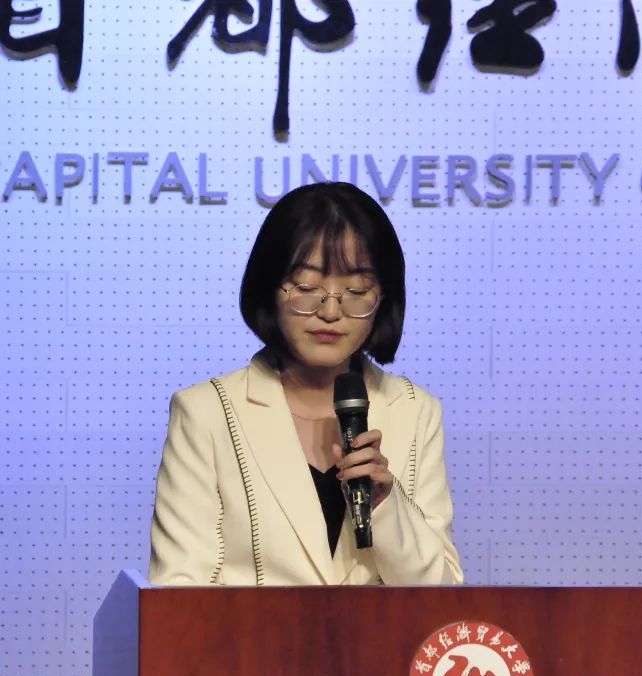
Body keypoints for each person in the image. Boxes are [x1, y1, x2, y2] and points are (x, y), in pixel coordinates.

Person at [148, 182, 463, 586]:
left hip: (383, 632)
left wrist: (387, 506)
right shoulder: (206, 412)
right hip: (249, 632)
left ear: (383, 298)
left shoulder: (416, 409)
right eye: (306, 288)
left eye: (356, 290)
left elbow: (444, 592)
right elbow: (178, 590)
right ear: (269, 288)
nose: (330, 311)